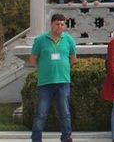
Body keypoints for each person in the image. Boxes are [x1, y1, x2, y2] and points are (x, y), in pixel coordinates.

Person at [29, 13, 77, 142]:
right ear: (51, 24)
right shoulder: (40, 40)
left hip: (63, 82)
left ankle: (66, 138)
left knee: (65, 113)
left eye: (62, 24)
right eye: (57, 24)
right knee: (41, 114)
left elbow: (73, 59)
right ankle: (36, 139)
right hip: (45, 83)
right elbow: (32, 60)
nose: (60, 26)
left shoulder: (69, 40)